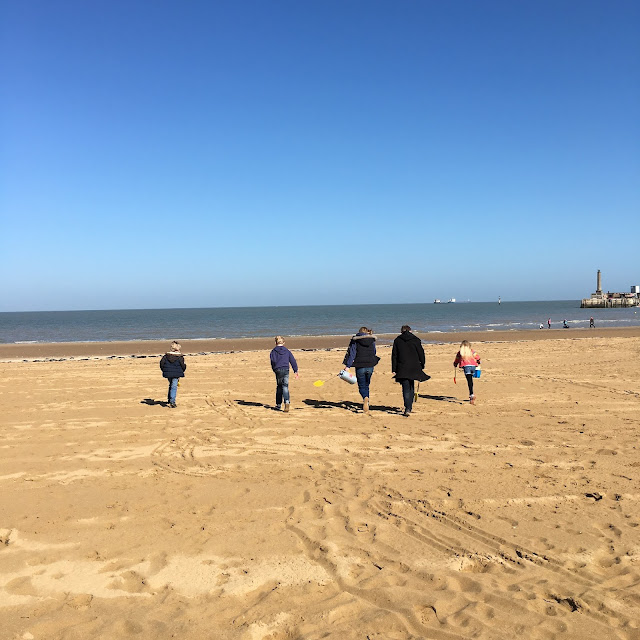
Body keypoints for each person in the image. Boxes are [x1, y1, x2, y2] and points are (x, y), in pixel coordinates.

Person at [392, 325, 430, 416]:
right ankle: (409, 407)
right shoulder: (415, 340)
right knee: (411, 386)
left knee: (406, 388)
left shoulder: (398, 340)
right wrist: (422, 364)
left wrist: (394, 369)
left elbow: (394, 356)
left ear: (401, 331)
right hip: (414, 366)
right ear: (410, 331)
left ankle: (407, 407)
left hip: (402, 366)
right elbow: (421, 353)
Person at [342, 327, 379, 413]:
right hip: (370, 365)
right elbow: (374, 352)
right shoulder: (372, 341)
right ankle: (367, 401)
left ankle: (365, 398)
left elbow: (352, 354)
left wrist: (348, 366)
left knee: (362, 386)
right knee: (367, 384)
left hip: (360, 365)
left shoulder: (355, 341)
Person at [269, 336, 299, 411]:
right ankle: (286, 401)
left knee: (280, 386)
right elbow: (293, 361)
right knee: (285, 386)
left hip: (279, 369)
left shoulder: (274, 351)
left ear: (275, 343)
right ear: (283, 343)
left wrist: (274, 369)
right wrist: (295, 370)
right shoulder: (285, 351)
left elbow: (273, 362)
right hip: (285, 369)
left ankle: (279, 404)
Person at [453, 340, 481, 405]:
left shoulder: (460, 352)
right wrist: (478, 362)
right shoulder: (472, 351)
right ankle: (471, 394)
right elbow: (478, 357)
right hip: (473, 366)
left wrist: (455, 364)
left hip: (466, 367)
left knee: (469, 381)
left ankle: (471, 395)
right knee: (470, 379)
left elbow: (456, 360)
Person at [160, 341, 186, 408]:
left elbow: (161, 364)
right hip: (176, 373)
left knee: (171, 385)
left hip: (169, 373)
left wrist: (164, 370)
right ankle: (172, 401)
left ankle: (170, 399)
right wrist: (182, 370)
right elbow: (183, 365)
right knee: (174, 386)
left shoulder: (166, 356)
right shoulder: (179, 357)